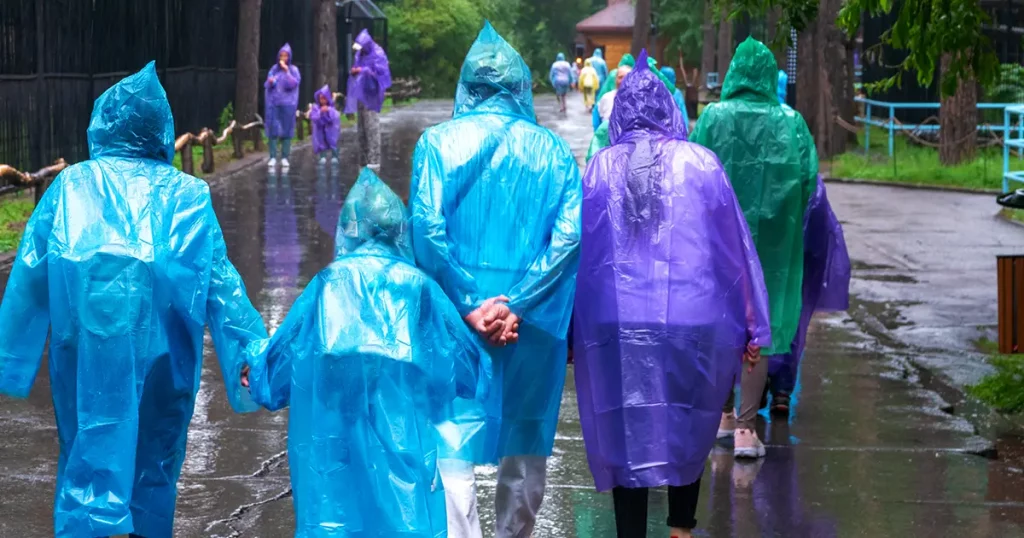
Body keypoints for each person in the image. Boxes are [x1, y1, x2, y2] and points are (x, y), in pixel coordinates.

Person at [0, 62, 266, 538]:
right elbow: (223, 286)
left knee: (88, 454)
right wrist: (253, 358)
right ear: (161, 129)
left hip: (87, 354)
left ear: (103, 124)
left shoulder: (69, 189)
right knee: (155, 464)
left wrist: (10, 358)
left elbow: (28, 279)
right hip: (166, 358)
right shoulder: (187, 197)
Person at [574, 50, 771, 538]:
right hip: (694, 318)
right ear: (671, 109)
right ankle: (682, 528)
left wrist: (567, 333)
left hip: (615, 321)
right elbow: (734, 249)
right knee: (688, 420)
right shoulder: (702, 164)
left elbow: (576, 251)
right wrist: (753, 320)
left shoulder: (598, 169)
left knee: (626, 426)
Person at [242, 168, 492, 537]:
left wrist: (254, 362)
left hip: (334, 468)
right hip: (408, 464)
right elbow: (470, 372)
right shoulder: (420, 289)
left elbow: (276, 373)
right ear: (399, 231)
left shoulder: (326, 286)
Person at [409, 22, 581, 538]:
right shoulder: (553, 153)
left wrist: (468, 303)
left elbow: (425, 227)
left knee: (451, 441)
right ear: (522, 86)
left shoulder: (436, 145)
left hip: (453, 323)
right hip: (532, 325)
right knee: (526, 442)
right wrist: (519, 303)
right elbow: (568, 238)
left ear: (467, 86)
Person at [690, 37, 817, 459]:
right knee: (758, 328)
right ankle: (746, 426)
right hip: (775, 246)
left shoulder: (713, 117)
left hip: (718, 240)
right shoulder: (792, 121)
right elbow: (807, 181)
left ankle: (724, 415)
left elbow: (693, 170)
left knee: (723, 322)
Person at [767, 175, 851, 416]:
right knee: (792, 311)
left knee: (759, 311)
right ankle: (781, 388)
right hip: (798, 239)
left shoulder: (733, 142)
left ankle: (759, 381)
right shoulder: (797, 142)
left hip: (764, 242)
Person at [345, 29, 392, 172]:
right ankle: (363, 160)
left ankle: (374, 160)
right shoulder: (360, 54)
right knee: (362, 129)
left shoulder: (378, 54)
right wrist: (354, 71)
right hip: (361, 94)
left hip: (372, 96)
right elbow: (356, 68)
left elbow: (382, 75)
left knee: (372, 128)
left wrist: (364, 71)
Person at [265, 43, 301, 169]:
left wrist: (287, 72)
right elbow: (268, 83)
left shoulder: (294, 70)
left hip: (288, 104)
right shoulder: (273, 69)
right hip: (274, 104)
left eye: (286, 56)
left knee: (286, 131)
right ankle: (273, 157)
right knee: (273, 131)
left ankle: (285, 157)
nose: (283, 58)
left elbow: (294, 84)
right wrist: (270, 81)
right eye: (281, 55)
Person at [593, 53, 635, 130]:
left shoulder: (638, 100)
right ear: (615, 79)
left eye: (627, 77)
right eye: (620, 77)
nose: (623, 80)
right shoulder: (606, 98)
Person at [310, 84, 341, 165]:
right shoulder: (316, 107)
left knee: (332, 141)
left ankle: (335, 156)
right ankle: (322, 156)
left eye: (324, 98)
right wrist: (320, 112)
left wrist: (329, 110)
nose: (322, 100)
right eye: (321, 98)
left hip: (330, 129)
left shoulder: (331, 107)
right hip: (320, 129)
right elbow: (314, 117)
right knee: (321, 141)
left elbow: (335, 116)